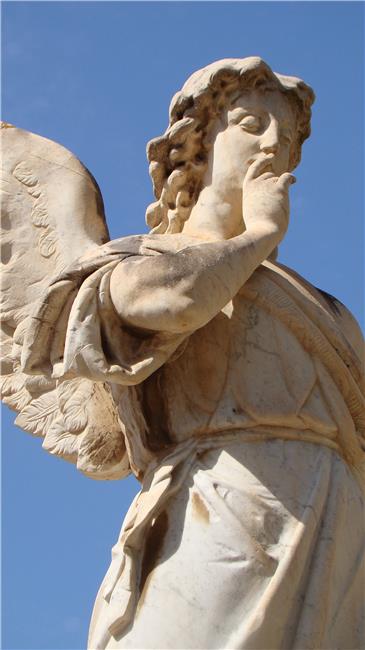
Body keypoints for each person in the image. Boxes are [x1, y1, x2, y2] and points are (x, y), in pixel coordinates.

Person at [12, 58, 365, 649]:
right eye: (252, 124)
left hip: (338, 530)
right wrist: (256, 238)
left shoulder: (321, 306)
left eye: (287, 136)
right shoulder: (143, 259)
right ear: (199, 150)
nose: (273, 144)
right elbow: (169, 304)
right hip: (217, 512)